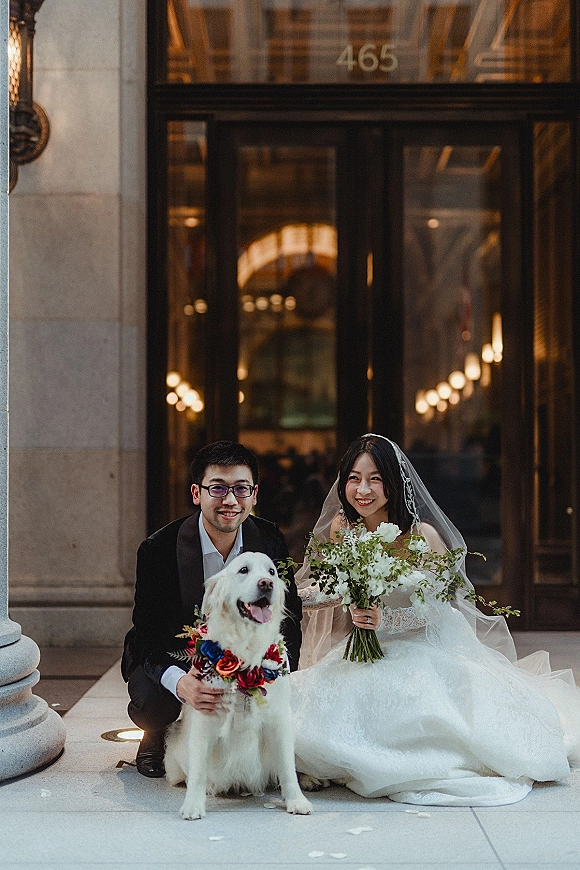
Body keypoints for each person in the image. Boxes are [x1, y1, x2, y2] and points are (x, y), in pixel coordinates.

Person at [291, 433, 580, 806]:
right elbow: (329, 586)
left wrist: (386, 621)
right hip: (365, 646)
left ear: (394, 484)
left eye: (375, 478)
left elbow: (439, 608)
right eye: (354, 478)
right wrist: (299, 597)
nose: (363, 489)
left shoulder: (421, 536)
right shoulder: (341, 530)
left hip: (420, 646)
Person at [122, 440, 302, 778]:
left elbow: (288, 613)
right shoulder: (158, 549)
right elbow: (146, 636)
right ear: (197, 493)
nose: (230, 500)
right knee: (155, 703)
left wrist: (277, 669)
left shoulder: (269, 539)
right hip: (175, 652)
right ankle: (155, 734)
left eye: (241, 489)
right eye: (218, 488)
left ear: (254, 494)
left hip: (245, 648)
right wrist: (181, 683)